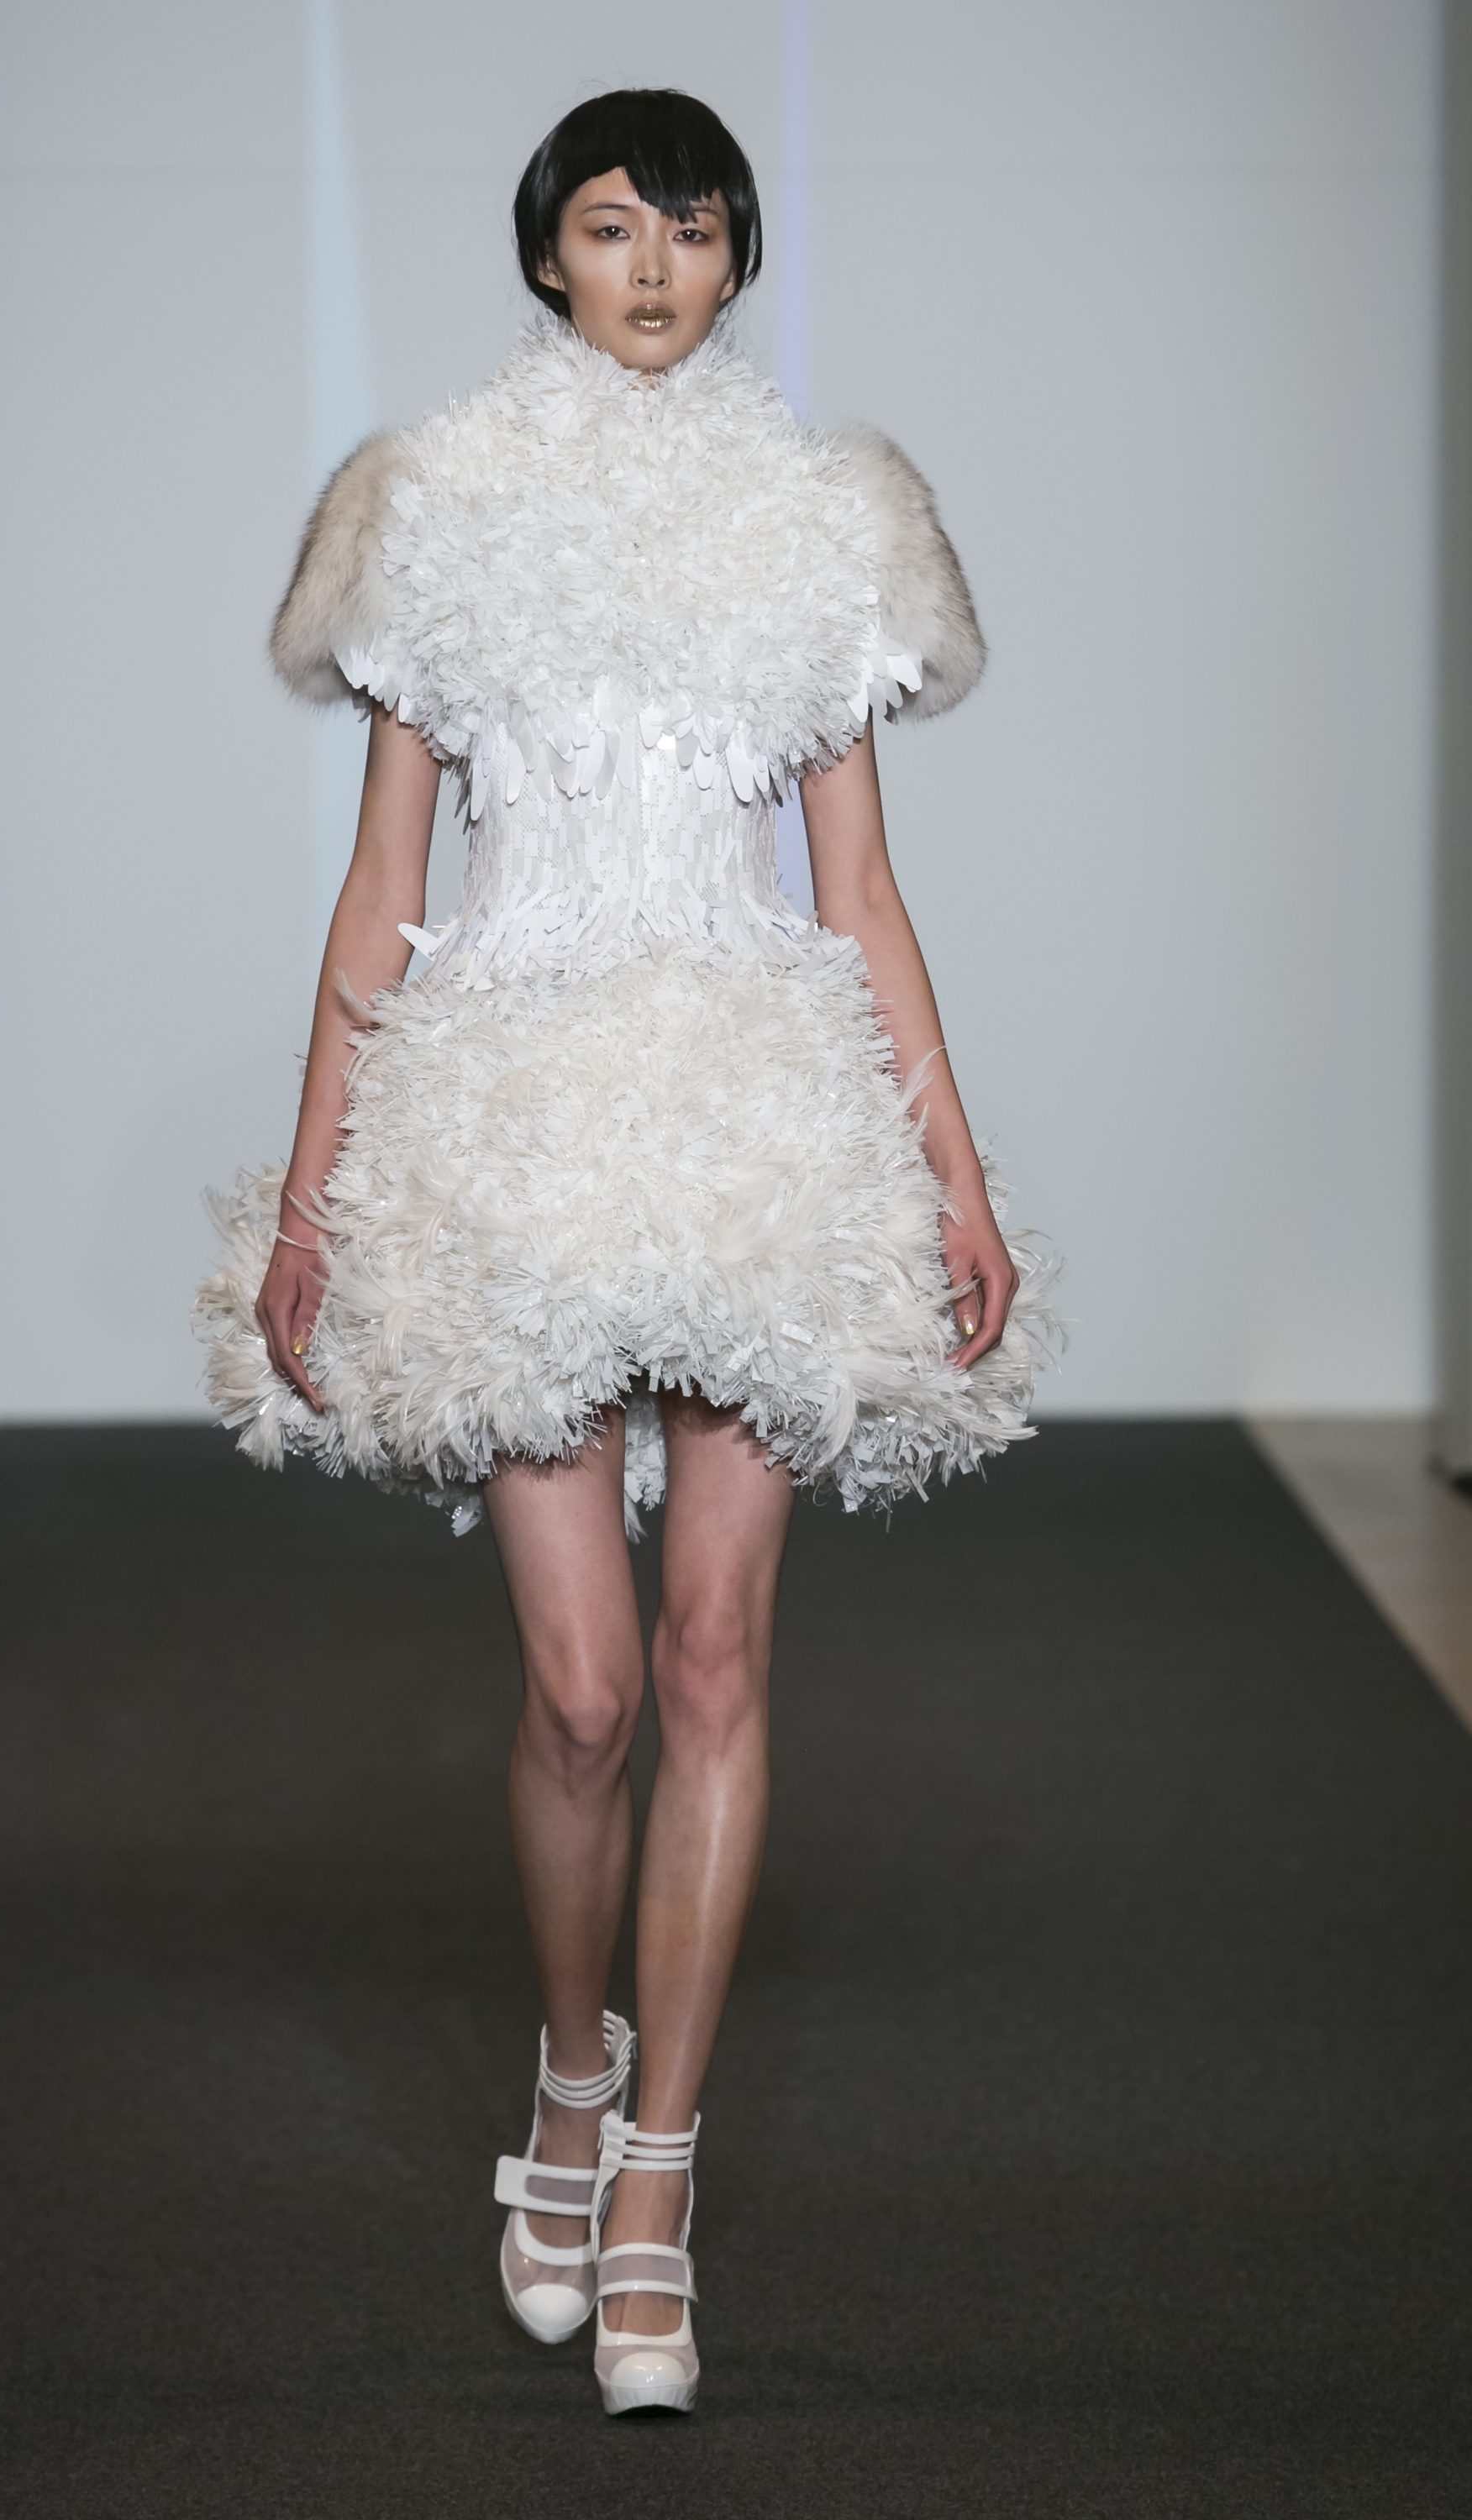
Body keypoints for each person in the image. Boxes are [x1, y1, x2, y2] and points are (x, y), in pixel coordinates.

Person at [197, 87, 1050, 2418]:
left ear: (737, 257)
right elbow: (385, 886)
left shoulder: (822, 523)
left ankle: (657, 2178)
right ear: (544, 254)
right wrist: (314, 1188)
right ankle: (568, 2080)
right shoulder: (435, 511)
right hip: (512, 1116)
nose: (654, 266)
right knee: (580, 1694)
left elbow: (856, 890)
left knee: (711, 1664)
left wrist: (957, 1171)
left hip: (756, 1118)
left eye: (692, 227)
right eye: (610, 224)